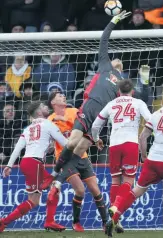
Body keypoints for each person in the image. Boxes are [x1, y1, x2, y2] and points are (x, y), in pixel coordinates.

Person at [46, 11, 150, 188]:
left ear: (122, 66)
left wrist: (145, 82)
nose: (115, 59)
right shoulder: (105, 66)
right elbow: (104, 41)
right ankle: (55, 172)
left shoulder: (124, 84)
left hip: (101, 118)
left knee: (79, 152)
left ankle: (57, 182)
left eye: (118, 60)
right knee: (72, 143)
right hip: (90, 107)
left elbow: (140, 100)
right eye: (114, 58)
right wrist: (113, 21)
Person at [105, 86, 163, 237]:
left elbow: (143, 137)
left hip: (152, 161)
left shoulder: (155, 114)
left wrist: (144, 157)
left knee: (137, 191)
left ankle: (116, 214)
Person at [43, 92, 108, 232]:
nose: (63, 97)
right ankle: (76, 222)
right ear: (53, 103)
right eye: (59, 96)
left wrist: (65, 120)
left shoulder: (74, 112)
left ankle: (105, 222)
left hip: (81, 156)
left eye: (63, 95)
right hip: (65, 159)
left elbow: (84, 127)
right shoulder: (49, 119)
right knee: (80, 190)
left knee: (96, 190)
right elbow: (48, 139)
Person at [92, 79, 151, 231]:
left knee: (115, 181)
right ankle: (116, 209)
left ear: (118, 92)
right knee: (129, 181)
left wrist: (97, 139)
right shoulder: (138, 103)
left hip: (114, 145)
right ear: (132, 91)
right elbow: (151, 121)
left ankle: (112, 221)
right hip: (130, 144)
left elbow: (95, 125)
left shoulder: (111, 104)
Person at [0, 101, 68, 233]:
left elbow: (17, 148)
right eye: (43, 107)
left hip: (26, 162)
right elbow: (65, 143)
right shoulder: (48, 124)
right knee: (34, 200)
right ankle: (3, 222)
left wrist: (9, 166)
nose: (46, 107)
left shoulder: (28, 128)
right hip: (35, 163)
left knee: (55, 187)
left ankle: (49, 221)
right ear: (38, 112)